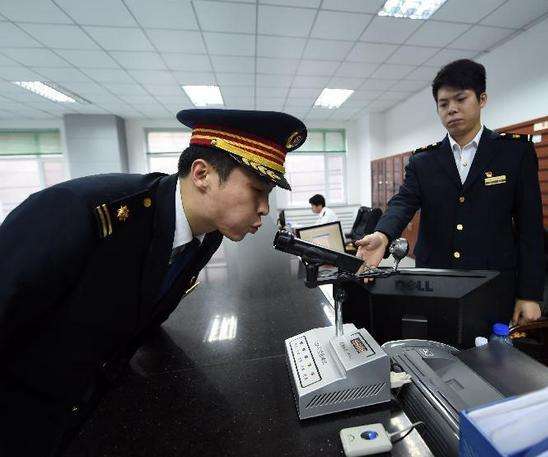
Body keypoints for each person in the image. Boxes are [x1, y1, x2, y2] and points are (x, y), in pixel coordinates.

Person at [0, 109, 307, 457]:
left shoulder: (207, 235)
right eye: (257, 190)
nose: (265, 208)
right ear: (202, 173)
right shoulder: (85, 213)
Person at [356, 59, 544, 327]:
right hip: (435, 281)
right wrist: (383, 235)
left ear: (482, 99)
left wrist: (530, 293)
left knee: (491, 361)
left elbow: (531, 228)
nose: (452, 109)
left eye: (461, 99)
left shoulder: (514, 153)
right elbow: (403, 202)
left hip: (492, 283)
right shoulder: (424, 160)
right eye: (443, 104)